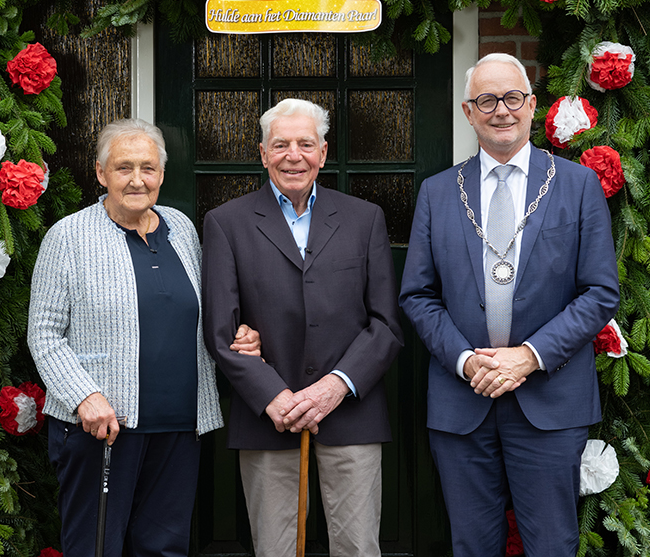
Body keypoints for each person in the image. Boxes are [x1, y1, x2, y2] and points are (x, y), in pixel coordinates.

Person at [399, 54, 620, 557]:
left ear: (532, 105)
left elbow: (600, 292)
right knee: (472, 545)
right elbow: (418, 295)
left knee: (551, 544)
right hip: (463, 400)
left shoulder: (577, 185)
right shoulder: (438, 192)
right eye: (486, 100)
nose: (501, 110)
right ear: (468, 111)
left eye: (512, 98)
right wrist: (466, 361)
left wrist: (528, 356)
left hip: (549, 399)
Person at [28, 118, 259, 557]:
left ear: (162, 175)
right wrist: (84, 396)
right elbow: (44, 334)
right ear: (101, 173)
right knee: (95, 549)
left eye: (148, 168)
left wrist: (237, 334)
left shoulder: (181, 228)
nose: (137, 180)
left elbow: (200, 311)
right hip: (102, 428)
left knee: (164, 549)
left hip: (179, 426)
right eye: (124, 168)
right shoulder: (68, 237)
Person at [202, 99, 404, 557]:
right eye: (281, 145)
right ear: (263, 154)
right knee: (274, 549)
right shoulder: (226, 223)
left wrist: (335, 386)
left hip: (351, 414)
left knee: (358, 548)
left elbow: (386, 325)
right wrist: (273, 396)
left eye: (305, 144)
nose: (293, 155)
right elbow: (220, 332)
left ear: (323, 153)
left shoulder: (364, 218)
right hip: (267, 419)